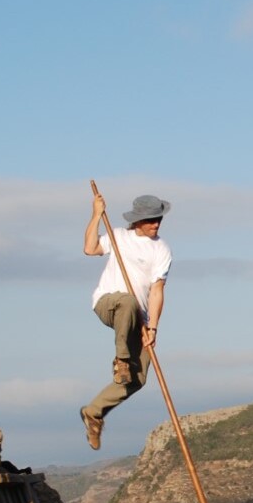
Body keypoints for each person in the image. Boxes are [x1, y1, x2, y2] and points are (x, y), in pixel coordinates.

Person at [79, 192, 173, 450]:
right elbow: (90, 249)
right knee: (128, 301)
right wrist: (96, 214)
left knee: (138, 378)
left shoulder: (162, 249)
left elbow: (157, 290)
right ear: (138, 220)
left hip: (138, 318)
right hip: (109, 303)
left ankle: (94, 412)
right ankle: (120, 359)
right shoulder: (119, 236)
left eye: (158, 219)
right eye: (150, 219)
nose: (156, 224)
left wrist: (153, 326)